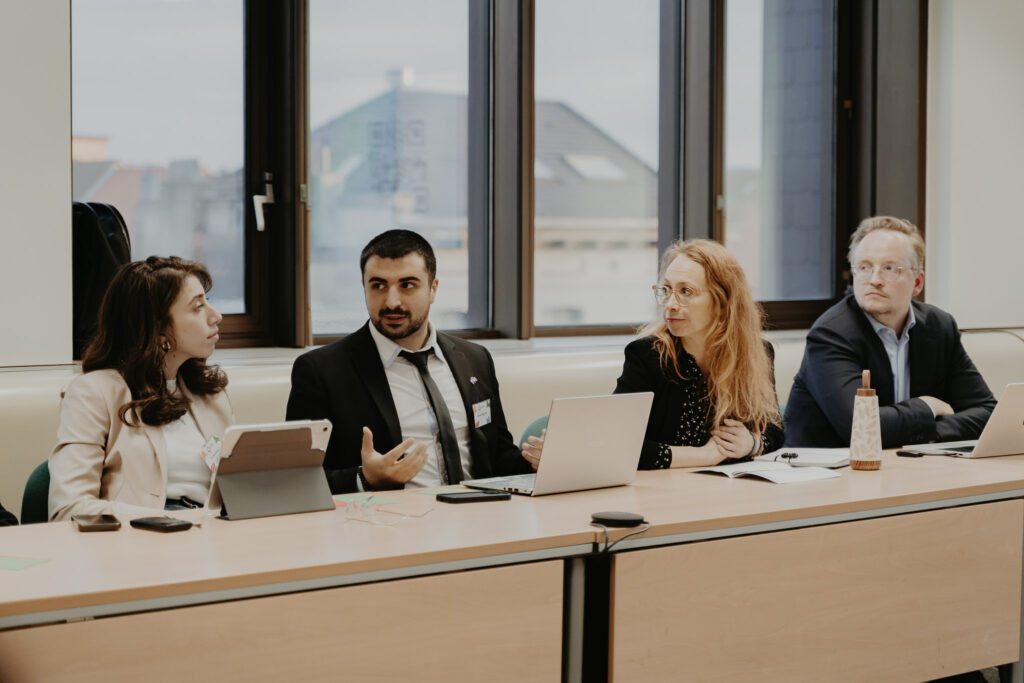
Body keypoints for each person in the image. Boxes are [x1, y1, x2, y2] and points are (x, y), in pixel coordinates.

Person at [286, 229, 533, 493]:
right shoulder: (322, 371)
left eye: (407, 285)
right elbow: (294, 479)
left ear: (433, 289)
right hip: (388, 526)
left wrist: (534, 462)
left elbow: (497, 458)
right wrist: (364, 478)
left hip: (482, 519)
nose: (392, 302)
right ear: (364, 287)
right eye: (378, 285)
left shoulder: (475, 359)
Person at [522, 240, 784, 469]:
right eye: (666, 289)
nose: (670, 304)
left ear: (723, 302)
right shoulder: (648, 355)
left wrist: (752, 444)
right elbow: (617, 446)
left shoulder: (758, 353)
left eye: (686, 292)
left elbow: (775, 431)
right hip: (661, 496)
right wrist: (704, 455)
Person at [785, 216, 995, 448]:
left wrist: (927, 433)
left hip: (906, 469)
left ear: (917, 282)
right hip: (826, 474)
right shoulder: (831, 334)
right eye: (864, 267)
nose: (874, 280)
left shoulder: (939, 327)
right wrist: (925, 408)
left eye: (889, 269)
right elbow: (861, 428)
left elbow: (987, 413)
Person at [49, 257, 230, 521]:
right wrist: (178, 521)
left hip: (212, 542)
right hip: (135, 545)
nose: (217, 316)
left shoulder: (211, 395)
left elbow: (233, 496)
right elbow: (70, 509)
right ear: (158, 330)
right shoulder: (94, 393)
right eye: (197, 307)